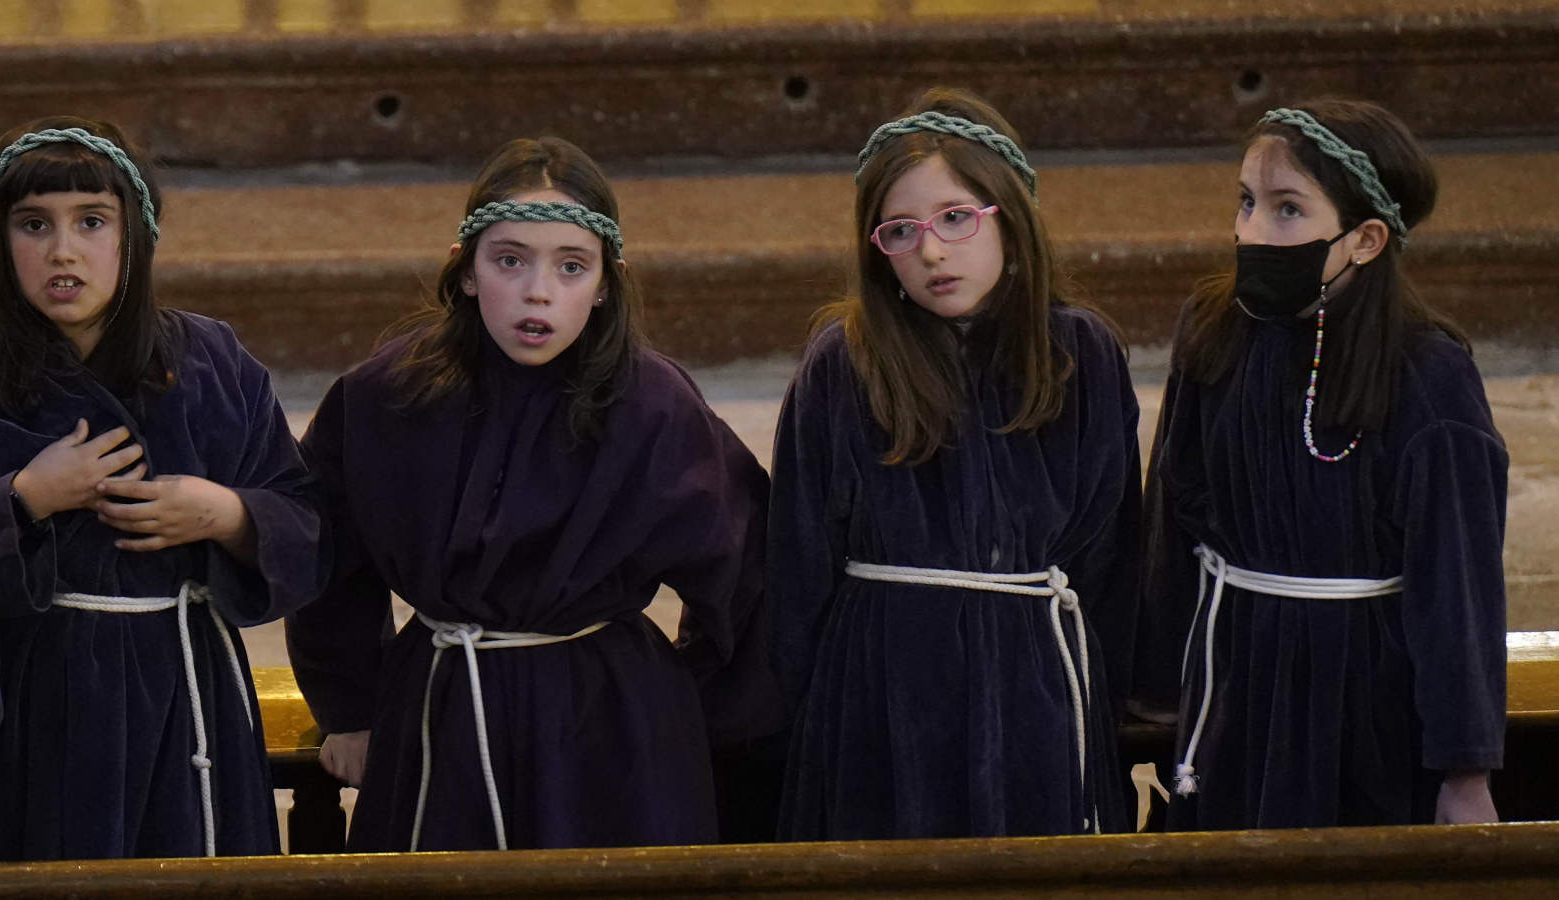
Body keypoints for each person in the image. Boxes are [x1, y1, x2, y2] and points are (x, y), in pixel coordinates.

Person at [287, 136, 774, 851]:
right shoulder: (388, 397)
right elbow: (327, 554)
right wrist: (351, 708)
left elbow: (744, 572)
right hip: (445, 703)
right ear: (465, 272)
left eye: (570, 266)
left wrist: (687, 708)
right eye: (509, 260)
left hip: (609, 718)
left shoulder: (653, 407)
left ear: (606, 283)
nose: (537, 291)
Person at [0, 116, 322, 860]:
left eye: (91, 221)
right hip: (37, 691)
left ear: (136, 235)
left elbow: (301, 517)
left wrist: (228, 514)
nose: (61, 250)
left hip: (185, 684)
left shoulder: (212, 362)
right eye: (33, 224)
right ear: (1, 244)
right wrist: (23, 498)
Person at [772, 89, 1138, 840]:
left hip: (1036, 677)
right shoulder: (844, 364)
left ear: (1012, 214)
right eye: (898, 232)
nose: (931, 250)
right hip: (883, 684)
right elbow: (798, 562)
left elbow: (1109, 549)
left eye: (954, 218)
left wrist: (1104, 697)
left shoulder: (1081, 354)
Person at [1140, 98, 1506, 829]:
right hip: (1235, 672)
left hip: (1360, 687)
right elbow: (1173, 510)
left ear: (1364, 240)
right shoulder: (1214, 330)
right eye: (1246, 202)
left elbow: (1456, 585)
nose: (1248, 231)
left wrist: (1463, 770)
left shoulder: (1425, 376)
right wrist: (1149, 689)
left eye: (1285, 211)